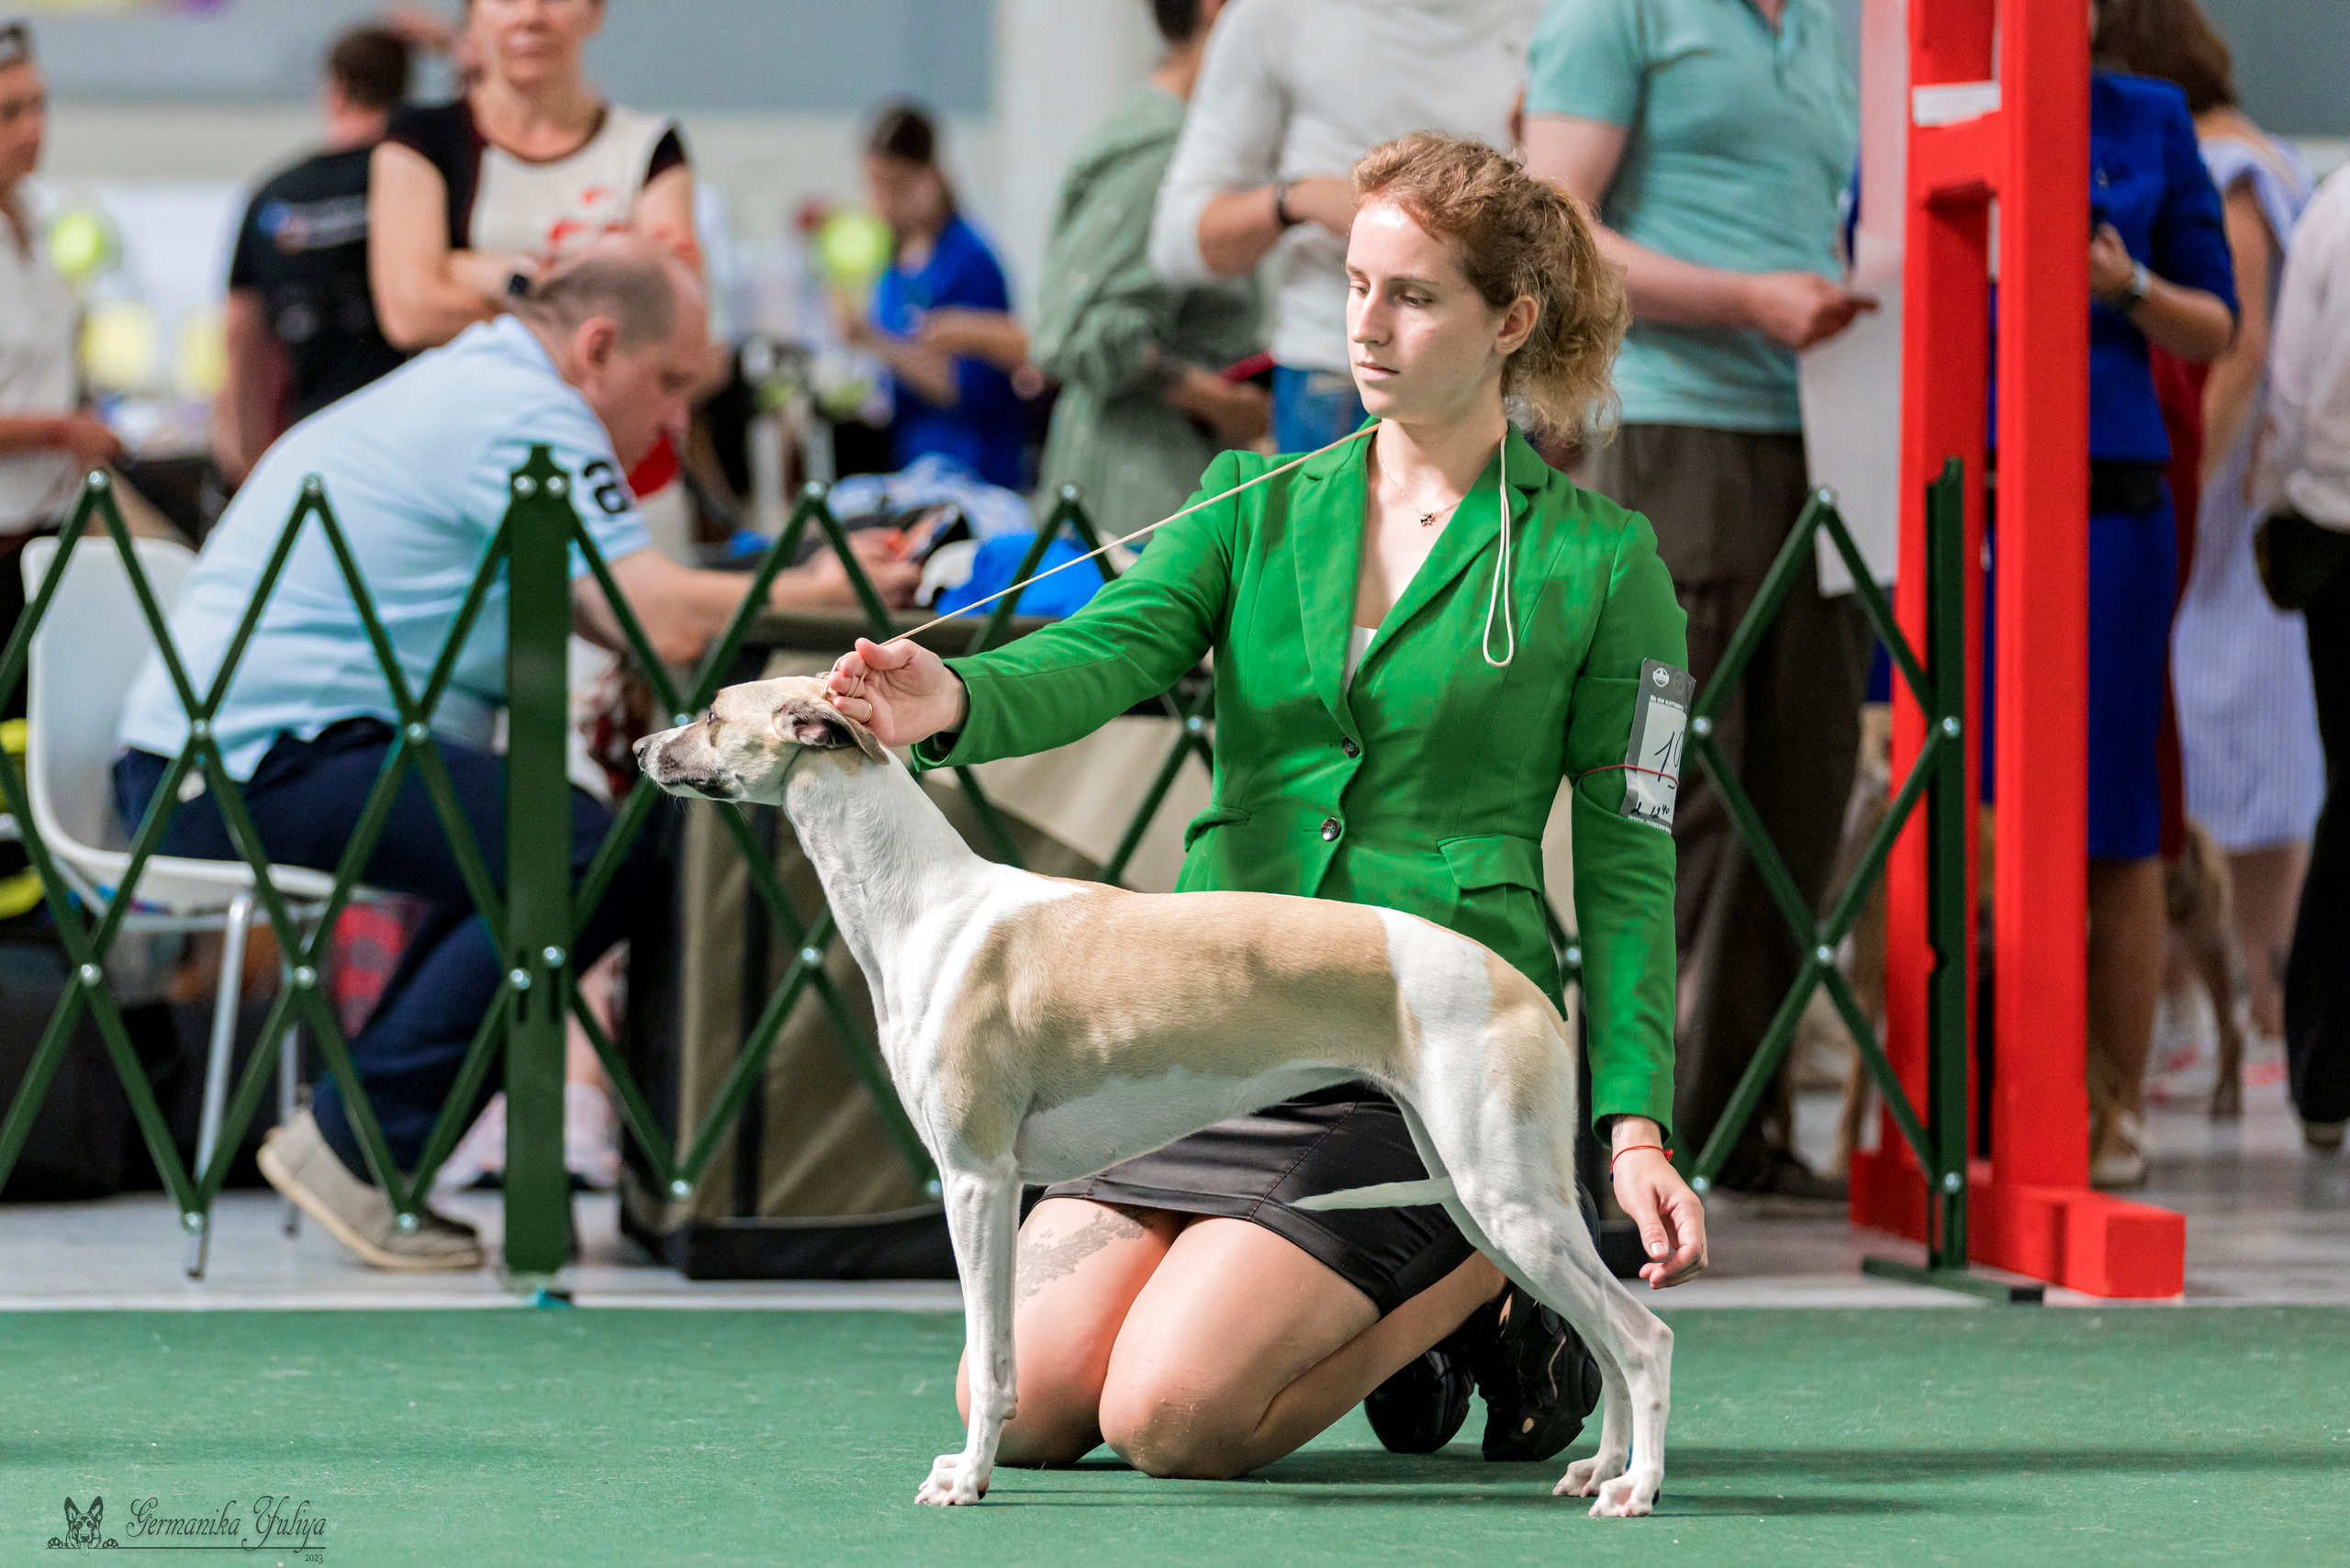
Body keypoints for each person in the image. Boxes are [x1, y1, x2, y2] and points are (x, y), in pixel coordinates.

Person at [825, 133, 1706, 1479]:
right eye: (1354, 283)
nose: (1366, 324)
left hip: (1422, 1048)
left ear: (1510, 321)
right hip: (1202, 1030)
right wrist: (949, 696)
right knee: (1034, 1404)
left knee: (1171, 1419)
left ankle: (1504, 1257)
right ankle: (1406, 1287)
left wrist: (1630, 1120)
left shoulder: (1604, 563)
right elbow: (1104, 649)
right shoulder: (1249, 500)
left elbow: (1636, 859)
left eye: (1411, 295)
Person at [112, 239, 919, 1271]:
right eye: (668, 382)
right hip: (246, 765)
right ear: (595, 347)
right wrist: (825, 593)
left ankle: (365, 1138)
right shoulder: (529, 411)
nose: (675, 419)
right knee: (585, 852)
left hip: (233, 752)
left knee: (538, 836)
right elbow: (655, 618)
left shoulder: (484, 380)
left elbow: (598, 602)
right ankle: (363, 1149)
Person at [1520, 0, 1871, 1201]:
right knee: (1666, 788)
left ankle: (1736, 1126)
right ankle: (1625, 1134)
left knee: (1803, 785)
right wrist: (1747, 300)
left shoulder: (1834, 21)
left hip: (1822, 431)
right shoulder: (1615, 13)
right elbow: (1554, 226)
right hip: (1668, 432)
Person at [1993, 6, 2235, 1188]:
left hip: (2110, 504)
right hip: (1967, 499)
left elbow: (2215, 317)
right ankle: (1975, 1101)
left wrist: (2124, 281)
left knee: (2116, 812)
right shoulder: (1938, 111)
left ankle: (2116, 1102)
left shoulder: (2148, 120)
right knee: (1965, 804)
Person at [2098, 0, 2322, 1059]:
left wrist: (2195, 482)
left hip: (2214, 504)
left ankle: (2243, 1010)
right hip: (2250, 498)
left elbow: (2238, 346)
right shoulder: (2275, 160)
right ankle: (2238, 1011)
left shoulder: (2223, 166)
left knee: (2222, 751)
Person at [1148, 0, 1536, 454]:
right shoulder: (1276, 16)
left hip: (1500, 386)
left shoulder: (1547, 17)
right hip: (1338, 382)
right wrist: (1298, 198)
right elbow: (1176, 243)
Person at [1024, 0, 1268, 540]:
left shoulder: (1183, 139)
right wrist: (1221, 402)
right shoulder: (1163, 149)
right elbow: (1079, 330)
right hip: (1138, 488)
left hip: (1158, 472)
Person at [366, 0, 697, 354]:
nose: (531, 17)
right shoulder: (418, 139)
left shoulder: (650, 148)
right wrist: (591, 309)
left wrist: (485, 273)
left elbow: (674, 323)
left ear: (596, 11)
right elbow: (412, 316)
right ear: (472, 15)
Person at [2254, 163, 2350, 1154]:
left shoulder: (2328, 203)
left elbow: (2290, 396)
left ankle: (2323, 1070)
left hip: (2322, 531)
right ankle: (2323, 1064)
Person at [214, 26, 417, 487]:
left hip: (310, 440)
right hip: (408, 443)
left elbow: (240, 338)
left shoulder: (273, 199)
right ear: (404, 94)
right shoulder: (419, 188)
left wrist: (245, 459)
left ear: (335, 89)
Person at [840, 103, 1028, 491]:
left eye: (897, 187)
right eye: (876, 187)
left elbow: (963, 388)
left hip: (970, 470)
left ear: (932, 178)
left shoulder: (970, 263)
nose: (885, 202)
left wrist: (875, 340)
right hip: (910, 462)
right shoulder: (893, 264)